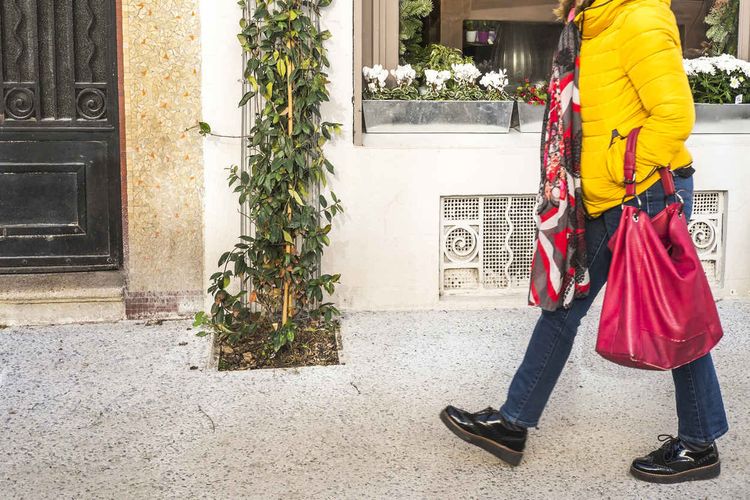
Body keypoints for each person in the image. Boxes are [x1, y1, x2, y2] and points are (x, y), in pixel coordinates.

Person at [439, 0, 728, 484]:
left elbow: (675, 115)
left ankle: (699, 444)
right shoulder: (590, 23)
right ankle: (512, 424)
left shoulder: (640, 16)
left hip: (645, 194)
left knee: (676, 314)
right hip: (605, 199)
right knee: (564, 304)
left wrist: (619, 171)